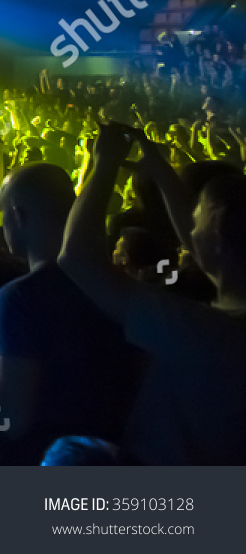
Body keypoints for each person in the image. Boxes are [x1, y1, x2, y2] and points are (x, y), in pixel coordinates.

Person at [59, 124, 246, 464]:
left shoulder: (198, 330)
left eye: (199, 214)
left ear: (217, 226)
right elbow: (199, 242)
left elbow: (77, 258)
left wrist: (104, 164)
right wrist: (158, 166)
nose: (189, 225)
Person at [0, 162, 139, 462]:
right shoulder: (116, 285)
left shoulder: (20, 297)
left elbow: (7, 421)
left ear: (18, 216)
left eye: (2, 214)